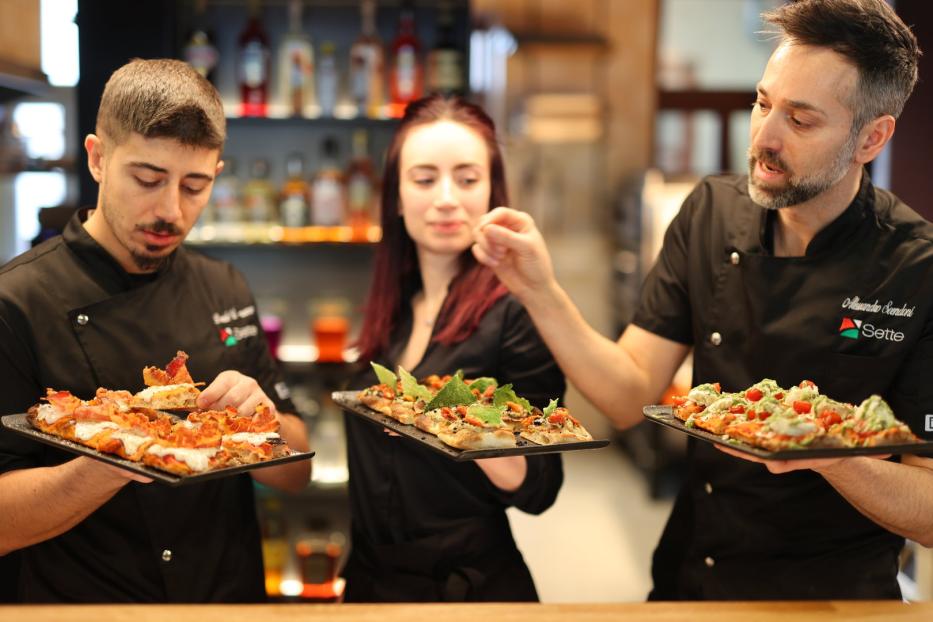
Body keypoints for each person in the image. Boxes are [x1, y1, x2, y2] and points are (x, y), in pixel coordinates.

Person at [473, 0, 933, 601]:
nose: (763, 137)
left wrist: (825, 454)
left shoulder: (915, 269)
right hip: (692, 579)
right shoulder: (711, 213)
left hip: (831, 598)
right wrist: (539, 288)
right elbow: (628, 394)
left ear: (872, 137)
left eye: (800, 120)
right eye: (763, 102)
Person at [0, 59, 310, 603]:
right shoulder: (15, 302)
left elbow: (296, 473)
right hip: (87, 608)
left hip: (226, 601)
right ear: (98, 158)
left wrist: (263, 422)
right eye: (147, 179)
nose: (170, 210)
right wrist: (122, 457)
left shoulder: (225, 286)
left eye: (195, 186)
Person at [343, 95, 565, 602]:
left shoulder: (514, 312)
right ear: (397, 197)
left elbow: (541, 485)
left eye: (467, 180)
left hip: (466, 591)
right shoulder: (392, 310)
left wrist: (467, 425)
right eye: (424, 180)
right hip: (371, 583)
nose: (446, 199)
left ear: (492, 193)